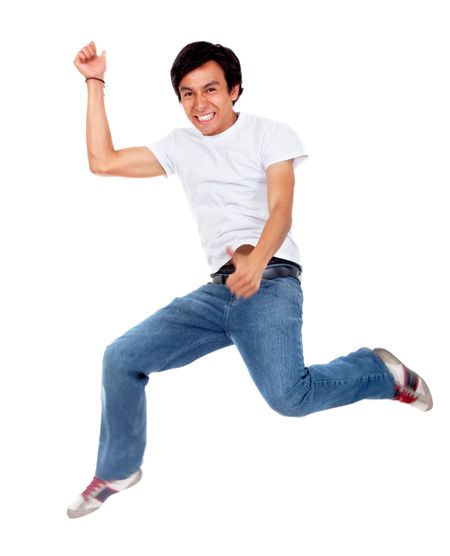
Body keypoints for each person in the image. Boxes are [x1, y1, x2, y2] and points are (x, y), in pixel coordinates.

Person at [68, 40, 433, 519]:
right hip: (218, 292)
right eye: (187, 94)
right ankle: (118, 469)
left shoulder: (271, 134)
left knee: (290, 398)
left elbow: (281, 208)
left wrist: (257, 262)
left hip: (271, 280)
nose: (200, 104)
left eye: (211, 89)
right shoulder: (179, 146)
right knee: (121, 357)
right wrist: (95, 82)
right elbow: (103, 161)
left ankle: (377, 372)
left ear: (235, 89)